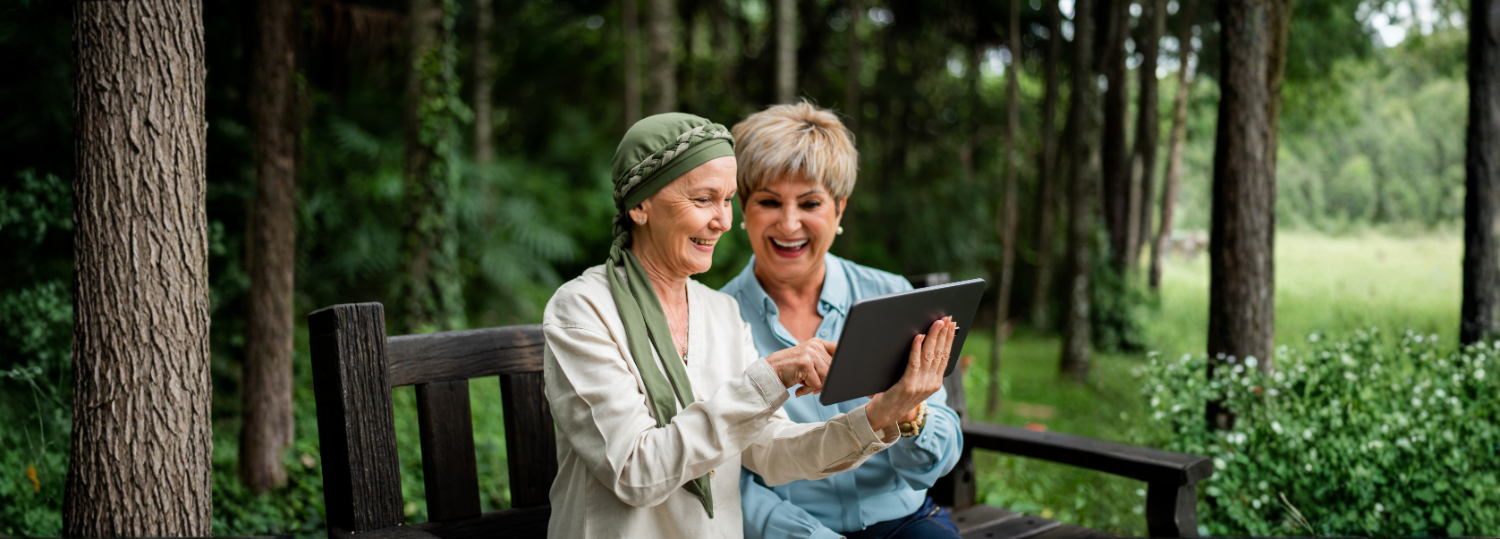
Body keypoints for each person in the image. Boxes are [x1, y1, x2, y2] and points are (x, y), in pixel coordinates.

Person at [542, 112, 955, 539]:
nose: (722, 221)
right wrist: (769, 378)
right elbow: (635, 472)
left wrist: (879, 415)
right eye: (704, 200)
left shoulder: (720, 311)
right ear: (640, 206)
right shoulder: (582, 310)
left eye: (725, 201)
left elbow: (771, 450)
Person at [721, 103, 964, 539]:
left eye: (810, 202)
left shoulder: (891, 295)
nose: (789, 223)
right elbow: (726, 477)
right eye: (769, 201)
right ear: (743, 207)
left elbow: (937, 461)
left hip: (904, 522)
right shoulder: (715, 319)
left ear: (839, 210)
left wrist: (910, 412)